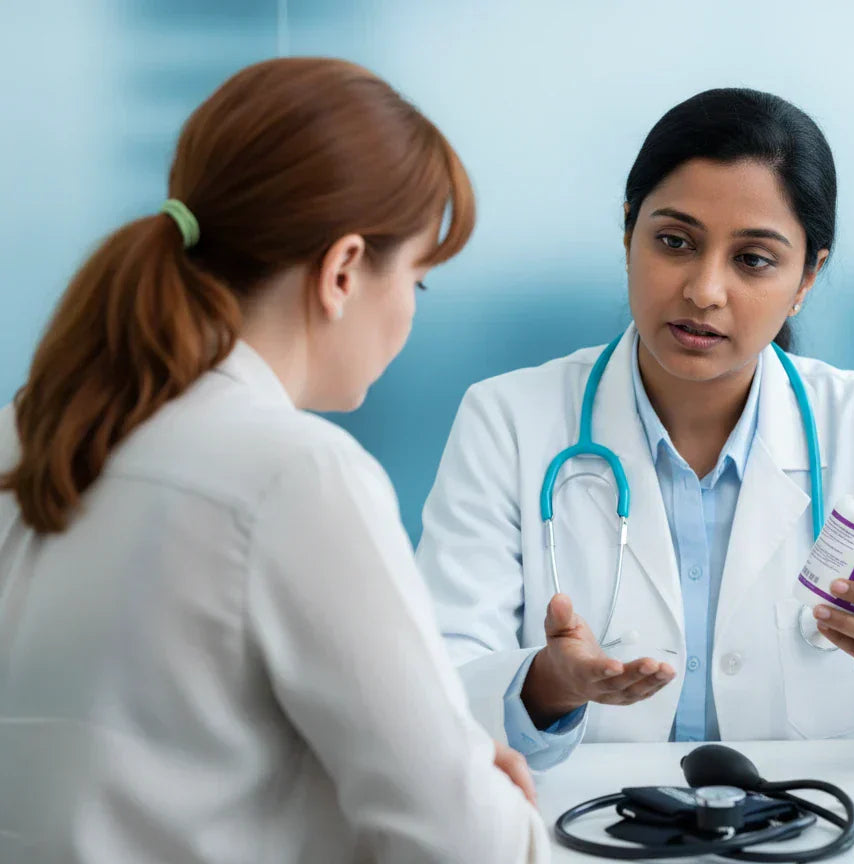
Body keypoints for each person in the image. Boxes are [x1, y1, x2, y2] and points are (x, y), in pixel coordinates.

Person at [0, 58, 546, 864]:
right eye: (418, 283)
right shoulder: (297, 476)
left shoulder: (29, 428)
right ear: (343, 270)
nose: (409, 316)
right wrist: (480, 791)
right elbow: (465, 847)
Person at [416, 88, 854, 772]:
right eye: (674, 242)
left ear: (808, 276)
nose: (704, 290)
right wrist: (546, 685)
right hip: (584, 833)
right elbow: (433, 685)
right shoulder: (508, 421)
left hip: (823, 833)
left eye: (752, 259)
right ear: (628, 232)